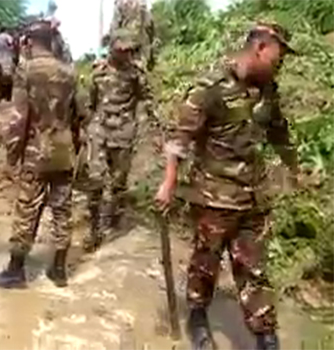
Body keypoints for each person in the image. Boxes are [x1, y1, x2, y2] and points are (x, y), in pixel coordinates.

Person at [155, 22, 299, 350]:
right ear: (261, 47)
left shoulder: (268, 90)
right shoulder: (212, 86)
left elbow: (279, 132)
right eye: (279, 56)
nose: (282, 63)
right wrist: (168, 183)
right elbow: (181, 138)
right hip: (213, 198)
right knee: (206, 263)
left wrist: (294, 168)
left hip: (252, 198)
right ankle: (197, 318)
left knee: (254, 268)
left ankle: (266, 335)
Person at [0, 20, 83, 289]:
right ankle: (59, 269)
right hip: (64, 152)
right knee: (62, 210)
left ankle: (16, 271)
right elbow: (80, 116)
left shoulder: (25, 71)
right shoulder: (69, 73)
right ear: (51, 42)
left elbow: (18, 119)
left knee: (27, 208)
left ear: (28, 43)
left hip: (36, 153)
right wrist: (76, 146)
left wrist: (12, 157)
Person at [83, 32, 153, 253]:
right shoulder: (97, 73)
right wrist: (85, 129)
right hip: (100, 131)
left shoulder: (136, 74)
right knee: (95, 179)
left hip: (124, 133)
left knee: (118, 182)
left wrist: (141, 123)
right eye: (120, 49)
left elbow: (146, 99)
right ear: (111, 48)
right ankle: (95, 229)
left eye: (128, 50)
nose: (125, 54)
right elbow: (89, 104)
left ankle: (112, 219)